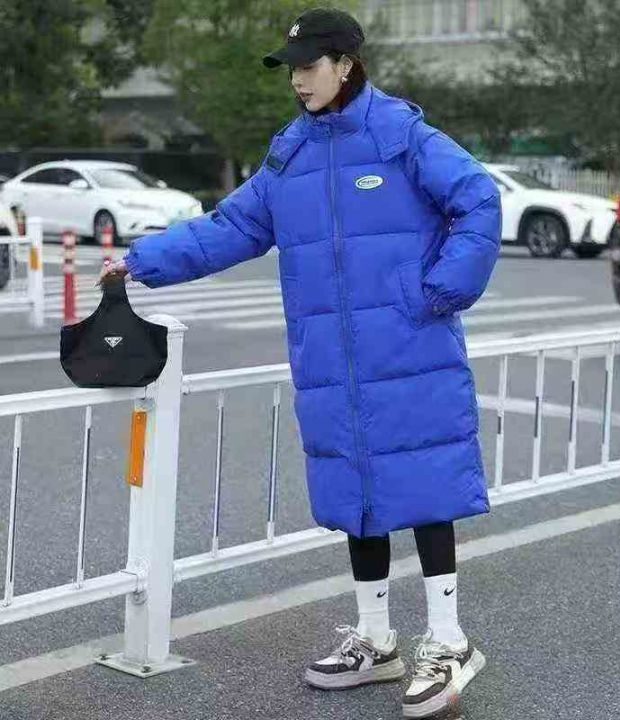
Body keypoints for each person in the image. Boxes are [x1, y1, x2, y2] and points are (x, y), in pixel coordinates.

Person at [100, 7, 501, 718]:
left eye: (309, 67)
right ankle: (377, 638)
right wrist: (142, 261)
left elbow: (478, 200)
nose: (298, 82)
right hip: (330, 359)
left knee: (425, 483)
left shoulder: (402, 135)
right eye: (291, 70)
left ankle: (448, 639)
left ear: (346, 64)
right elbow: (232, 226)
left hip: (410, 345)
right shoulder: (290, 154)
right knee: (357, 490)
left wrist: (441, 289)